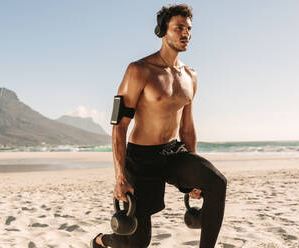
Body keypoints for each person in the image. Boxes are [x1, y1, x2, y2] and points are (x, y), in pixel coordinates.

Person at [91, 4, 227, 248]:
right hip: (141, 159)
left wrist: (193, 172)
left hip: (173, 153)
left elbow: (186, 127)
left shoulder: (190, 76)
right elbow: (119, 126)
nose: (186, 33)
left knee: (216, 182)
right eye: (179, 28)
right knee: (137, 241)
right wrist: (120, 175)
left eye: (188, 29)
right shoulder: (139, 70)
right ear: (162, 31)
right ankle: (103, 241)